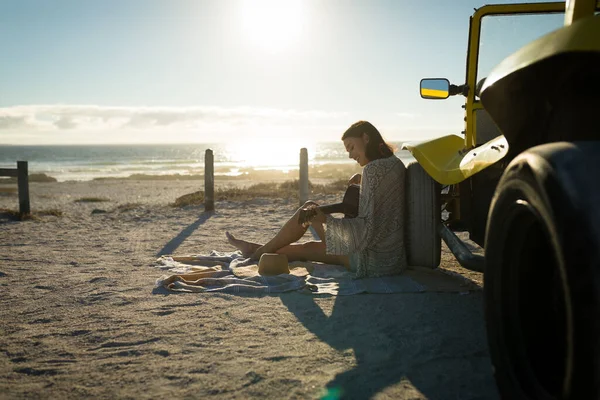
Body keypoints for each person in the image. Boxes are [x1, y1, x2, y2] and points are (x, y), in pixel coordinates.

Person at [226, 120, 407, 278]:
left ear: (366, 137)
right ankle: (255, 250)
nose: (351, 155)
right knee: (306, 249)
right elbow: (382, 212)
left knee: (309, 209)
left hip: (369, 260)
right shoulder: (394, 164)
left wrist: (325, 220)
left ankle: (258, 252)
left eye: (351, 147)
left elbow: (367, 229)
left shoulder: (373, 170)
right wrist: (362, 183)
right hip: (390, 259)